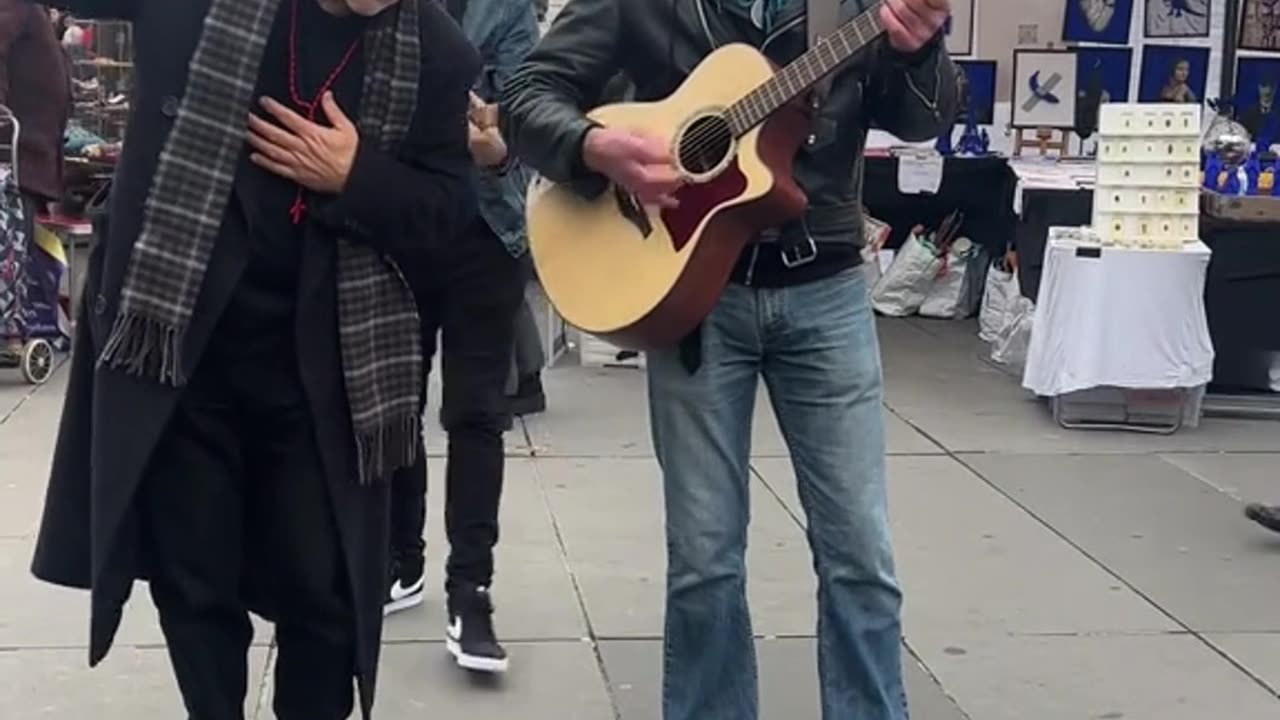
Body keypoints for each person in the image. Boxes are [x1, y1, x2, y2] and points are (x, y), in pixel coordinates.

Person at [501, 0, 956, 717]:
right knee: (704, 562)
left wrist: (916, 50)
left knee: (861, 556)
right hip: (691, 294)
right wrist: (596, 147)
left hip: (824, 285)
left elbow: (925, 120)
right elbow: (525, 95)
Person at [31, 1, 479, 718]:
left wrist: (358, 175)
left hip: (327, 372)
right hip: (183, 347)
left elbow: (448, 211)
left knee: (324, 596)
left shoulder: (437, 50)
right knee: (194, 583)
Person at [384, 0, 539, 676]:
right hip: (399, 226)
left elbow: (533, 116)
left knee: (476, 412)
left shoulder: (506, 11)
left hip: (484, 232)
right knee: (393, 403)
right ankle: (399, 557)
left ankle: (469, 591)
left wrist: (500, 151)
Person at [0, 1, 71, 351]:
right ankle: (11, 331)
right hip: (17, 152)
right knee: (14, 242)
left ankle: (18, 324)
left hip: (31, 151)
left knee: (23, 242)